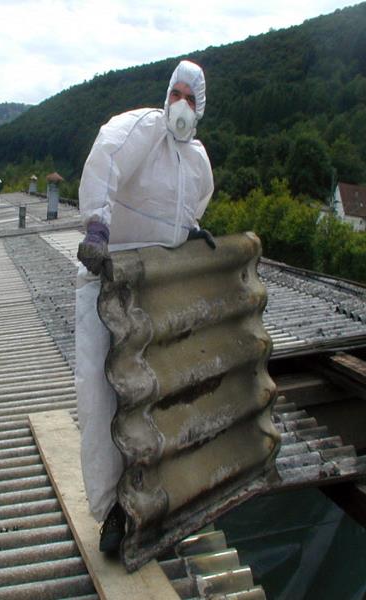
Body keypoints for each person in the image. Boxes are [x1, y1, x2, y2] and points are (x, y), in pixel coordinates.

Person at [75, 59, 215, 553]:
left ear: (200, 108)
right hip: (108, 279)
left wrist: (192, 235)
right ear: (167, 95)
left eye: (190, 98)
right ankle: (112, 510)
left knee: (152, 396)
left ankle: (150, 500)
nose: (181, 103)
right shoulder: (145, 130)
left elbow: (188, 210)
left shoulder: (197, 161)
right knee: (101, 394)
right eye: (176, 92)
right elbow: (107, 158)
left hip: (154, 290)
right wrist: (96, 224)